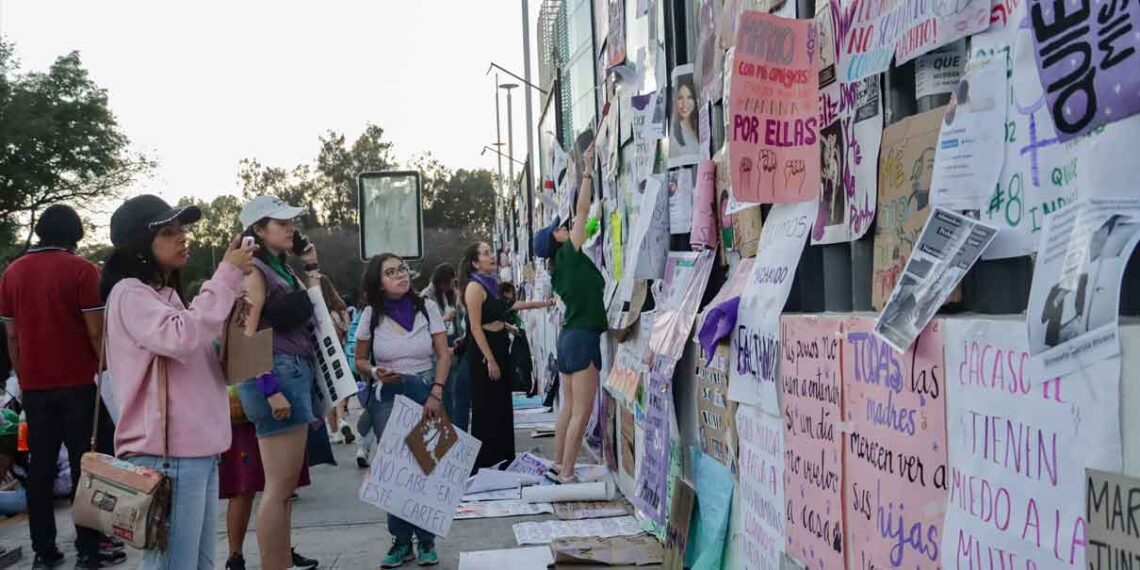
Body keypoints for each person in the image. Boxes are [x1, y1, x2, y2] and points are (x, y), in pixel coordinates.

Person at [101, 194, 255, 569]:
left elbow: (191, 348)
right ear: (140, 244)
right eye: (169, 231)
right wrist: (226, 276)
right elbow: (181, 338)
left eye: (182, 229)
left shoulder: (166, 297)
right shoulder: (129, 294)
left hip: (195, 450)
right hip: (167, 455)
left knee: (196, 563)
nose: (182, 237)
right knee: (174, 564)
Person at [0, 204, 126, 569]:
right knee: (86, 465)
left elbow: (12, 336)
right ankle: (89, 548)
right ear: (74, 233)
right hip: (79, 385)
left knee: (40, 469)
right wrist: (105, 371)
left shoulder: (12, 273)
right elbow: (94, 330)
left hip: (35, 387)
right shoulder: (82, 270)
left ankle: (44, 551)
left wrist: (25, 377)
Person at [234, 195, 322, 570]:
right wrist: (269, 388)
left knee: (283, 491)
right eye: (280, 223)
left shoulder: (279, 269)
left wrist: (312, 266)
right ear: (257, 230)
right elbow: (244, 335)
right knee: (277, 489)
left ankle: (281, 561)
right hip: (276, 372)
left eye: (290, 223)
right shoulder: (254, 271)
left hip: (289, 369)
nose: (290, 229)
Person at [353, 254, 452, 567]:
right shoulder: (371, 315)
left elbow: (444, 354)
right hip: (388, 394)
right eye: (391, 272)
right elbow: (359, 360)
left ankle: (426, 541)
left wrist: (435, 392)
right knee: (395, 469)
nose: (400, 276)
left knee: (426, 463)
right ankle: (400, 542)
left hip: (424, 387)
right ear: (378, 282)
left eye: (402, 269)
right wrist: (374, 371)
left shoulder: (427, 307)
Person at [534, 142, 607, 484]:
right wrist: (588, 169)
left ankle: (559, 463)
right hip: (582, 338)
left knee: (567, 408)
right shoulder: (569, 254)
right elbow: (581, 208)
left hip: (569, 339)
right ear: (557, 240)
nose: (564, 227)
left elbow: (585, 220)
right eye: (558, 230)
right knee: (582, 410)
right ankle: (566, 471)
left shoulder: (561, 265)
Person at [460, 242, 555, 470]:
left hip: (501, 346)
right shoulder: (474, 287)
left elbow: (512, 306)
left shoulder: (492, 285)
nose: (491, 256)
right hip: (485, 352)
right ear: (475, 262)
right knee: (487, 406)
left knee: (502, 405)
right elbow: (475, 327)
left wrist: (546, 302)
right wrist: (490, 358)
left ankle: (503, 458)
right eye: (485, 254)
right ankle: (486, 461)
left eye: (490, 252)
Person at [220, 388, 317, 570]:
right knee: (246, 486)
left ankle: (281, 552)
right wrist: (269, 387)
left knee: (282, 486)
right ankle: (236, 557)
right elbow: (250, 361)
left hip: (276, 399)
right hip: (248, 403)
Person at [319, 275, 355, 445]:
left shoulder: (319, 311)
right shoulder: (341, 310)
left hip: (324, 357)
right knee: (340, 391)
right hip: (340, 353)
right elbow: (347, 331)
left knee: (329, 394)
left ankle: (334, 432)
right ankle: (342, 420)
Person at [670, 76, 700, 158]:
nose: (684, 103)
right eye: (680, 98)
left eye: (689, 97)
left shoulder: (701, 122)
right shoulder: (675, 135)